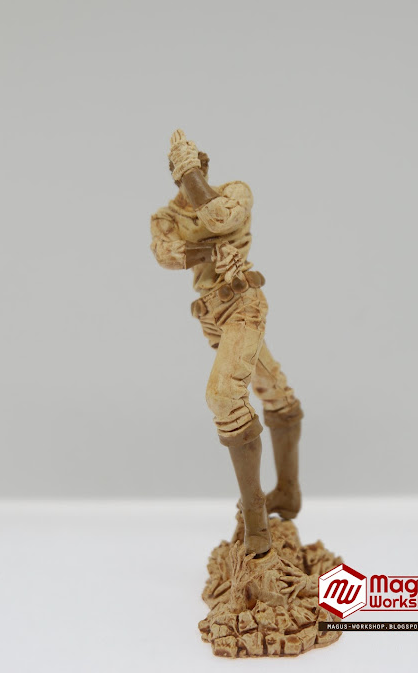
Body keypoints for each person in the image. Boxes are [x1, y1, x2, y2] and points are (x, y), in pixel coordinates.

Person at [150, 129, 303, 555]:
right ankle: (288, 492)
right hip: (212, 317)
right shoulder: (165, 217)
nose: (197, 173)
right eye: (186, 169)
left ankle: (256, 522)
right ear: (172, 174)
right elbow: (165, 253)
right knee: (272, 387)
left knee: (223, 397)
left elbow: (221, 219)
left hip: (243, 306)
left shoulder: (236, 191)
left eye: (200, 166)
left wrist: (190, 173)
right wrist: (209, 254)